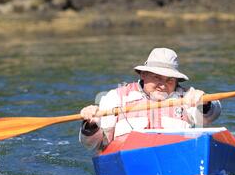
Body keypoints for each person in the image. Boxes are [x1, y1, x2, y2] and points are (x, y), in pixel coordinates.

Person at [79, 48, 222, 152]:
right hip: (127, 167)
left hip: (173, 159)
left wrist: (205, 102)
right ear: (143, 74)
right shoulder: (115, 97)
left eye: (169, 79)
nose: (163, 84)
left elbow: (212, 114)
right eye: (157, 77)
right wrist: (90, 126)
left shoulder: (187, 96)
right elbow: (93, 144)